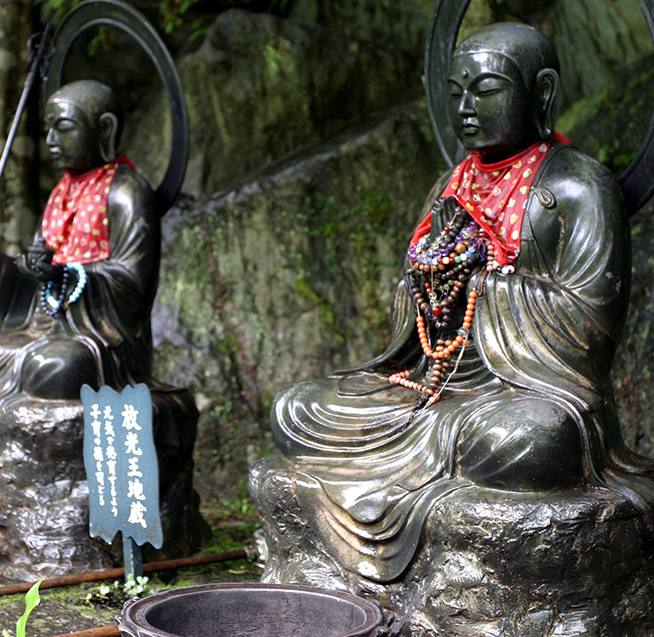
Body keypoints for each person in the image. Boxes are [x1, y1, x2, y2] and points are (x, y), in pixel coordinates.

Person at [251, 22, 654, 583]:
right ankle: (423, 461)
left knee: (528, 444)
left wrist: (482, 285)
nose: (466, 107)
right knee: (297, 410)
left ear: (541, 94)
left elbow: (591, 327)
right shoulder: (450, 185)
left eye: (485, 89)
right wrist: (426, 285)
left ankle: (437, 463)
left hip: (526, 396)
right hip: (436, 387)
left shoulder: (578, 188)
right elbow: (419, 308)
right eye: (455, 91)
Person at [0, 80, 189, 467]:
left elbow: (133, 286)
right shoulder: (61, 194)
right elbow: (37, 272)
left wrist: (67, 276)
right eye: (48, 128)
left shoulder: (127, 192)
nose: (51, 139)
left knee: (53, 368)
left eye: (64, 127)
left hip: (96, 338)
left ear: (104, 130)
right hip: (38, 329)